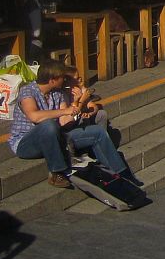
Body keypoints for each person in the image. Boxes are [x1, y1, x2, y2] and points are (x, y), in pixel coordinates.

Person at [8, 60, 140, 188]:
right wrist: (65, 111)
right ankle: (57, 172)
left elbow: (65, 121)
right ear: (52, 80)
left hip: (55, 137)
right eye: (62, 77)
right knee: (48, 125)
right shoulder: (27, 92)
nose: (65, 80)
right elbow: (34, 116)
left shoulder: (57, 93)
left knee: (97, 132)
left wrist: (77, 102)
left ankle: (121, 173)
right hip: (25, 143)